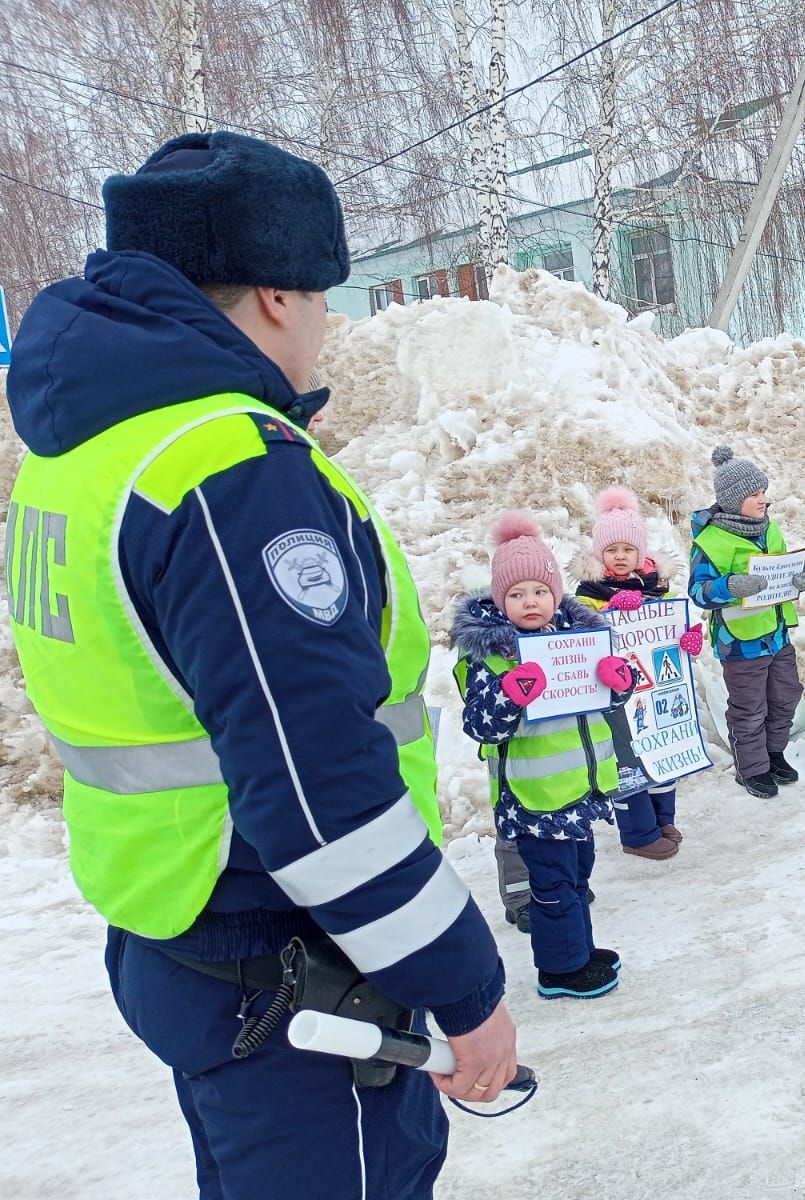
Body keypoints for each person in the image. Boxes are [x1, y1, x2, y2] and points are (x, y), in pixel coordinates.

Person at [3, 131, 515, 1199]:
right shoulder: (228, 471)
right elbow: (317, 782)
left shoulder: (80, 449)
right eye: (328, 296)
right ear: (279, 296)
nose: (329, 326)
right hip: (294, 969)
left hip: (180, 937)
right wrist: (463, 988)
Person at [450, 512, 635, 998]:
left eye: (538, 591)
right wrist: (511, 693)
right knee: (552, 886)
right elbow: (480, 726)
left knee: (577, 875)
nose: (529, 602)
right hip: (534, 798)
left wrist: (620, 683)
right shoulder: (490, 657)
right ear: (498, 599)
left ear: (555, 594)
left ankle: (580, 950)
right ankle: (561, 970)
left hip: (579, 789)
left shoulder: (578, 640)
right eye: (515, 594)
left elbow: (605, 698)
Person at [572, 485, 701, 860]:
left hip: (657, 687)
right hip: (614, 693)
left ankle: (663, 819)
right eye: (611, 550)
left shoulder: (657, 586)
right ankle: (637, 833)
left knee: (662, 745)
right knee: (626, 757)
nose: (620, 557)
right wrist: (610, 608)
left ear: (640, 552)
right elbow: (581, 636)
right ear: (600, 554)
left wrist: (689, 637)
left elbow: (672, 626)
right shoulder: (586, 593)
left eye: (628, 549)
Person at [687, 445, 805, 798]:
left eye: (764, 493)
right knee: (749, 707)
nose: (763, 501)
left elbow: (787, 567)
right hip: (740, 639)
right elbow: (698, 592)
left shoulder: (767, 529)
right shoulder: (710, 542)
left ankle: (773, 754)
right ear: (733, 499)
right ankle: (752, 768)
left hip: (775, 634)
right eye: (755, 494)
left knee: (786, 697)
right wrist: (730, 586)